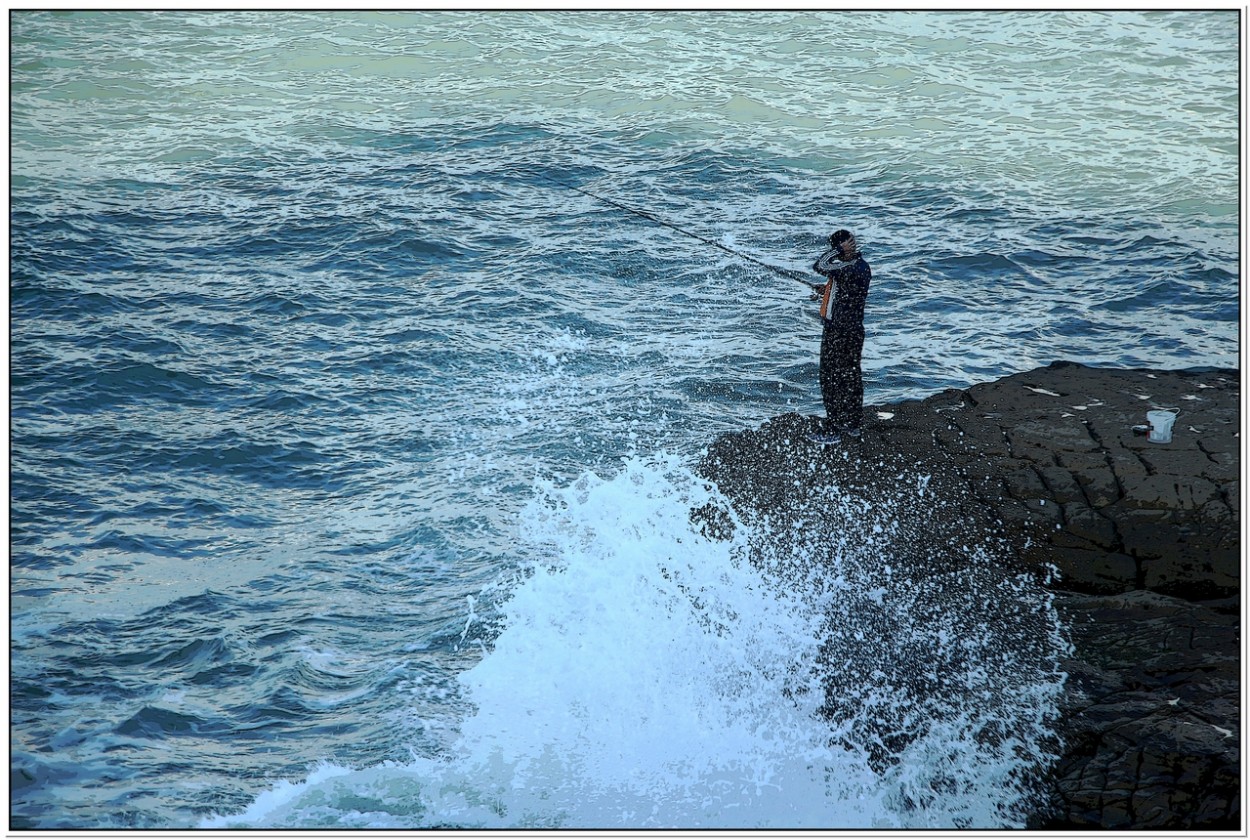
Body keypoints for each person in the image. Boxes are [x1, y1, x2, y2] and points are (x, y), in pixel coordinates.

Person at [809, 229, 871, 443]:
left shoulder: (849, 267)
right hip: (851, 331)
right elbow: (843, 285)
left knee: (830, 378)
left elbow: (820, 265)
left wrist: (835, 250)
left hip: (839, 332)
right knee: (850, 376)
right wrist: (827, 290)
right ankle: (853, 424)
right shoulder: (857, 266)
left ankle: (833, 428)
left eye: (843, 245)